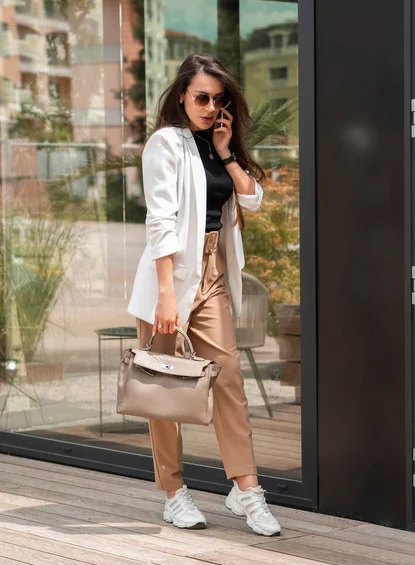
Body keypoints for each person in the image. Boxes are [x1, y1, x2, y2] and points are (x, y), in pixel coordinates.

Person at [128, 53, 281, 537]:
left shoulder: (217, 144)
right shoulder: (165, 143)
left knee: (229, 380)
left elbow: (252, 198)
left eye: (219, 99)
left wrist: (228, 149)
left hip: (212, 275)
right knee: (163, 388)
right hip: (170, 280)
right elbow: (161, 220)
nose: (210, 106)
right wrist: (167, 298)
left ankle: (246, 489)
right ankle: (173, 494)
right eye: (201, 97)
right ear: (181, 96)